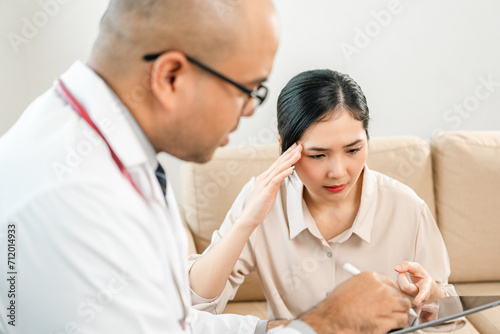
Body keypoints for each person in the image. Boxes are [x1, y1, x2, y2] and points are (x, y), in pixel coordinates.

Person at [0, 1, 411, 333]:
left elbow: (169, 321)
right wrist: (327, 324)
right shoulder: (74, 198)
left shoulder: (110, 152)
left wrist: (267, 329)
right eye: (247, 89)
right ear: (171, 77)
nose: (250, 110)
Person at [188, 69, 456, 320]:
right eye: (318, 155)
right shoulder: (261, 201)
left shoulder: (407, 208)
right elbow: (195, 306)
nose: (338, 172)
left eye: (353, 150)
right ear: (285, 149)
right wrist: (246, 222)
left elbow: (450, 316)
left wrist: (431, 295)